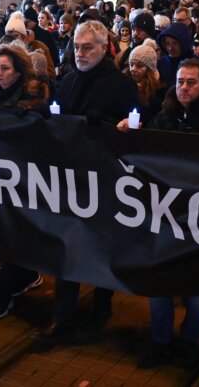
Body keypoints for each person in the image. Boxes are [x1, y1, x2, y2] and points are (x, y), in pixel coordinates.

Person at [119, 59, 199, 369]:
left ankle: (190, 340)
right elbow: (145, 152)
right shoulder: (165, 115)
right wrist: (131, 132)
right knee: (161, 282)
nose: (183, 88)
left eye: (191, 82)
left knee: (197, 288)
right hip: (165, 214)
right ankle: (160, 339)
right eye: (180, 81)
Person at [44, 20, 138, 343]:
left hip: (104, 177)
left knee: (101, 243)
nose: (80, 53)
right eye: (77, 47)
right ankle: (63, 314)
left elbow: (133, 128)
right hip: (70, 176)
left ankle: (102, 303)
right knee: (66, 243)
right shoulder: (67, 80)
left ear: (103, 48)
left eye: (87, 48)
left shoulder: (121, 84)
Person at [0, 43, 49, 321]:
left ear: (18, 71)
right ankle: (26, 274)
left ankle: (4, 295)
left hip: (22, 177)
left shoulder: (34, 99)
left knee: (14, 231)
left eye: (5, 68)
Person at [127, 38, 165, 124]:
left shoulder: (159, 91)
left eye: (139, 66)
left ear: (149, 69)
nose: (133, 69)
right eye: (131, 64)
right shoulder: (125, 83)